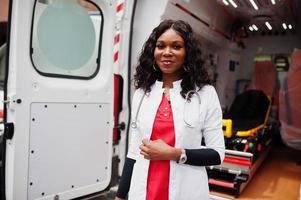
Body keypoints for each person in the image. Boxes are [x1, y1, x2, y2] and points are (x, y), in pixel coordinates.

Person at [115, 19, 225, 200]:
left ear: (187, 52)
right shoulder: (142, 93)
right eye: (160, 46)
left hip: (185, 191)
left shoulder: (204, 93)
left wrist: (173, 153)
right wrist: (120, 195)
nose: (167, 52)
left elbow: (216, 154)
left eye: (176, 46)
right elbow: (133, 152)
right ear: (153, 51)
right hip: (143, 191)